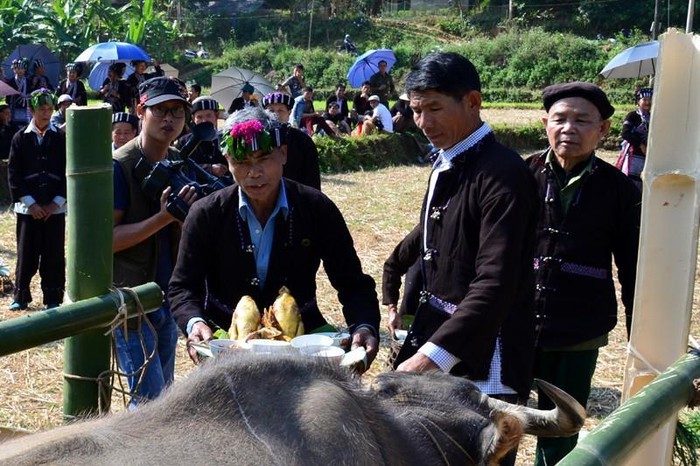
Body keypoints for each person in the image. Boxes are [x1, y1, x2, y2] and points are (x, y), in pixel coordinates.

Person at [382, 52, 538, 465]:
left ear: (473, 101)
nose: (424, 123)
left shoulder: (502, 174)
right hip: (442, 332)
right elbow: (432, 239)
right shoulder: (446, 162)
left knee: (481, 453)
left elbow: (496, 282)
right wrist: (394, 271)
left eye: (435, 108)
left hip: (488, 347)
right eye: (416, 110)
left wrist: (432, 358)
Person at [169, 107, 380, 368]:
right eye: (242, 161)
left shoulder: (316, 208)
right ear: (226, 160)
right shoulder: (206, 214)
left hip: (302, 343)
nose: (254, 172)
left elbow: (353, 284)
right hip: (226, 344)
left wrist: (364, 324)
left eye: (263, 158)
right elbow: (182, 287)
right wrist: (195, 322)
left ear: (283, 154)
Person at [526, 82, 641, 466]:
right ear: (545, 123)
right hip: (515, 322)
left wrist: (637, 328)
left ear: (604, 129)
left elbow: (631, 261)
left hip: (579, 327)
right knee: (500, 421)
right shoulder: (521, 175)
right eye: (559, 119)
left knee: (564, 426)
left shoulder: (621, 190)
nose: (568, 129)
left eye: (581, 120)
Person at [112, 76, 197, 408]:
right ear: (140, 111)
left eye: (177, 111)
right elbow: (107, 242)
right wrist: (163, 217)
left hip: (166, 295)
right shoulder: (120, 166)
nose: (169, 119)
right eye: (160, 110)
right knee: (149, 405)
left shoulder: (177, 160)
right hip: (131, 299)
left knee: (163, 400)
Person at [7, 89, 67, 311]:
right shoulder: (20, 138)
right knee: (26, 253)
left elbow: (66, 171)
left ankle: (53, 297)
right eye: (42, 109)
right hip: (28, 208)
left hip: (55, 208)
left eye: (50, 109)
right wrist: (30, 203)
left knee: (53, 253)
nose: (46, 113)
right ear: (31, 110)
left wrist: (56, 202)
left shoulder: (60, 138)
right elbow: (13, 174)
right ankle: (21, 296)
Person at [261, 92, 321, 190]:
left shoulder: (302, 140)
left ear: (289, 113)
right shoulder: (259, 138)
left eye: (280, 110)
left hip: (296, 194)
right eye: (271, 110)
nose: (275, 115)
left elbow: (312, 177)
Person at [174, 96, 229, 179]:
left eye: (208, 116)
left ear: (216, 116)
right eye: (199, 117)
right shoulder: (184, 142)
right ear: (193, 119)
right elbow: (177, 166)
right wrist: (209, 169)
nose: (204, 121)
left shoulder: (226, 140)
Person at [619, 87, 652, 190]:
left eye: (650, 99)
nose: (648, 102)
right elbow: (625, 133)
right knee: (631, 183)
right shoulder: (632, 116)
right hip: (633, 156)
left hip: (647, 156)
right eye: (645, 100)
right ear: (638, 101)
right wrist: (641, 145)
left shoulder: (652, 117)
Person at [4, 58, 31, 125]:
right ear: (14, 70)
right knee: (14, 125)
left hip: (25, 107)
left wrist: (27, 96)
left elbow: (30, 92)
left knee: (26, 125)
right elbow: (8, 98)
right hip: (14, 107)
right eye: (18, 69)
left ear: (25, 70)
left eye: (22, 69)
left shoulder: (28, 81)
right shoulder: (10, 82)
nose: (20, 71)